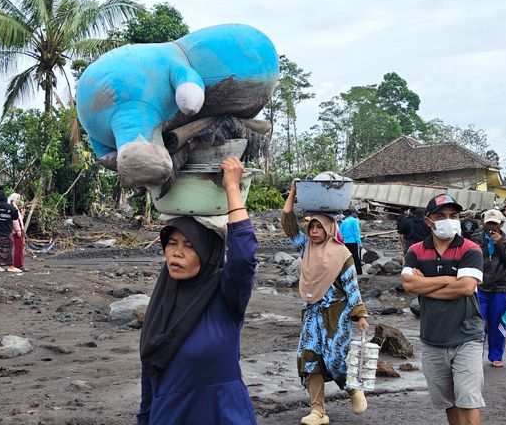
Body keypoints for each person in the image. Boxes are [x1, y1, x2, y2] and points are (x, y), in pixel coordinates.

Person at [137, 157, 258, 425]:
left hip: (223, 416)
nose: (177, 252)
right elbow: (150, 378)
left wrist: (231, 188)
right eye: (171, 243)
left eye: (189, 245)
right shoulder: (161, 305)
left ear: (208, 251)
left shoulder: (226, 299)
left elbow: (244, 257)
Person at [282, 183, 369, 425]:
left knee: (335, 359)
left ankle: (352, 388)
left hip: (336, 314)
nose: (314, 231)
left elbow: (352, 287)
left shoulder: (342, 255)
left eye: (319, 226)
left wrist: (360, 315)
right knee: (309, 360)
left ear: (330, 228)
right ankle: (318, 411)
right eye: (311, 226)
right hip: (312, 313)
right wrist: (293, 193)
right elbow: (288, 224)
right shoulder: (305, 248)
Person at [401, 194, 485, 425]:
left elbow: (467, 287)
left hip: (466, 335)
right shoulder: (416, 250)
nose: (449, 220)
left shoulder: (471, 249)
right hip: (432, 338)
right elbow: (408, 284)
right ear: (429, 221)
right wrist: (449, 278)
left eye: (453, 216)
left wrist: (424, 286)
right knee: (447, 401)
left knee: (469, 399)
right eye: (441, 216)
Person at [471, 209, 506, 368]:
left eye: (494, 224)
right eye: (488, 223)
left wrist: (499, 245)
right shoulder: (475, 239)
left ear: (501, 224)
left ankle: (496, 355)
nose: (491, 227)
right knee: (477, 322)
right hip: (479, 287)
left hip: (500, 288)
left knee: (498, 323)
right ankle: (476, 355)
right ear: (483, 222)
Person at [339, 207, 363, 275]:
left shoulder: (345, 221)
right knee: (355, 257)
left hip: (346, 242)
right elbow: (356, 233)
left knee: (347, 258)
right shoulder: (354, 221)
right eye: (356, 213)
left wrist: (343, 240)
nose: (357, 214)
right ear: (352, 213)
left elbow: (340, 232)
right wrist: (359, 243)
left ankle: (348, 272)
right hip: (353, 242)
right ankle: (359, 272)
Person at [8, 193, 26, 271]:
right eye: (18, 199)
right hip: (16, 232)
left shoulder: (14, 207)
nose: (19, 200)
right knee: (17, 248)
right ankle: (17, 264)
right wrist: (18, 230)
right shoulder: (13, 207)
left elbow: (18, 219)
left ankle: (18, 264)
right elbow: (14, 220)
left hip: (16, 230)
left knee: (18, 247)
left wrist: (22, 214)